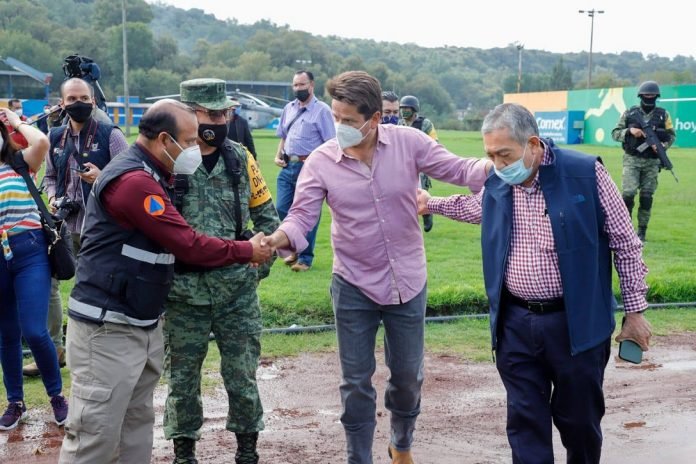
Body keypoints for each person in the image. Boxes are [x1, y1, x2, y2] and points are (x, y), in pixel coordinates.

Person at [262, 71, 490, 464]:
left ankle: (401, 444)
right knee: (355, 382)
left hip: (407, 281)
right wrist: (275, 240)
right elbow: (300, 218)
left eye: (349, 120)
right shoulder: (321, 161)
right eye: (335, 118)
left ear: (375, 119)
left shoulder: (410, 142)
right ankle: (358, 457)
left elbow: (460, 170)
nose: (340, 127)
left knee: (407, 378)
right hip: (352, 283)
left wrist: (502, 159)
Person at [419, 102, 653, 464]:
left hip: (576, 325)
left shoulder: (585, 174)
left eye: (504, 154)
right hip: (515, 325)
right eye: (491, 155)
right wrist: (430, 202)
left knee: (579, 422)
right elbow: (476, 208)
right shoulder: (499, 181)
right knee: (525, 421)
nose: (497, 164)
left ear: (532, 144)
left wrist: (635, 312)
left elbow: (625, 242)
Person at [58, 99, 273, 464]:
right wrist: (245, 251)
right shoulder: (135, 182)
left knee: (134, 427)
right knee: (94, 436)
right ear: (164, 140)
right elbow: (187, 243)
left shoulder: (158, 173)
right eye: (189, 141)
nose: (195, 148)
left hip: (137, 320)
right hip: (107, 327)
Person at [164, 79, 280, 464]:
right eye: (210, 113)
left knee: (243, 378)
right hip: (184, 294)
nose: (220, 119)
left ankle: (248, 451)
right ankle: (184, 454)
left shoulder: (240, 157)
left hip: (236, 294)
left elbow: (268, 219)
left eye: (224, 113)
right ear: (189, 114)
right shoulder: (169, 160)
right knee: (181, 383)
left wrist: (256, 271)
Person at [22, 78, 130, 378]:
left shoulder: (110, 134)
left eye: (84, 97)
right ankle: (53, 350)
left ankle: (99, 351)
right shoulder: (54, 136)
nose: (78, 103)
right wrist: (55, 197)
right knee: (48, 284)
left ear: (93, 101)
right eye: (72, 98)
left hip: (102, 227)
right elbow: (52, 176)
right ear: (62, 103)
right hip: (64, 226)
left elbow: (135, 175)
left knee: (96, 288)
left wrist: (102, 176)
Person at [0, 107, 68, 430]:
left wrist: (14, 121)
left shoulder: (20, 162)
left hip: (30, 252)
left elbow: (40, 140)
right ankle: (15, 401)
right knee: (7, 333)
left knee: (34, 329)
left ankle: (56, 395)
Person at [273, 70, 335, 272]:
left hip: (308, 168)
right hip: (287, 166)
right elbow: (284, 135)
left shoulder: (322, 111)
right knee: (282, 209)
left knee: (308, 214)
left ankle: (305, 259)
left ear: (311, 85)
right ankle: (294, 248)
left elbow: (331, 142)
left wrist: (318, 164)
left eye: (302, 85)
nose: (298, 88)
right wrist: (277, 154)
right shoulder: (288, 108)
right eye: (295, 85)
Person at [611, 80, 676, 243]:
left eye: (652, 96)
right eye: (646, 95)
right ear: (640, 96)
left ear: (656, 97)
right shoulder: (630, 113)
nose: (649, 98)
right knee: (628, 194)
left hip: (652, 162)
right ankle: (625, 229)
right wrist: (629, 131)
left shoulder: (663, 115)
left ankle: (642, 231)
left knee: (647, 197)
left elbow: (671, 135)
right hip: (632, 160)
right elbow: (615, 133)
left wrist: (663, 146)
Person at [399, 95, 437, 233]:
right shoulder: (399, 124)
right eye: (402, 108)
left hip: (421, 163)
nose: (403, 111)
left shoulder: (425, 124)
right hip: (403, 162)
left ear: (414, 109)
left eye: (407, 108)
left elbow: (434, 142)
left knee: (420, 192)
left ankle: (427, 214)